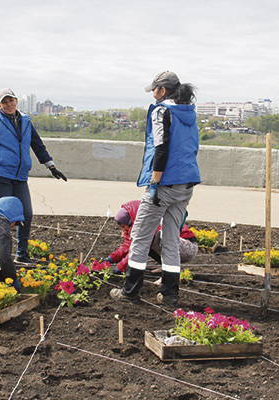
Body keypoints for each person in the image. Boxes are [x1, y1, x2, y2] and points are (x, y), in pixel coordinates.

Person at [110, 71, 201, 307]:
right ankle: (169, 293)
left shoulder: (162, 111)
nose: (152, 93)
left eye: (154, 89)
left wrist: (155, 181)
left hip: (164, 184)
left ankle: (130, 292)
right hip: (186, 184)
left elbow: (161, 148)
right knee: (170, 239)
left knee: (140, 236)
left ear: (162, 90)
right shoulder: (188, 112)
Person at [0, 88, 67, 264]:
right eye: (4, 102)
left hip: (20, 177)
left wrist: (51, 167)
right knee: (4, 218)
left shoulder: (25, 121)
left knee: (26, 214)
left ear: (16, 101)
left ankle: (21, 255)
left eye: (11, 101)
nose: (9, 105)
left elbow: (38, 146)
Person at [105, 200, 198, 274]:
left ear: (129, 221)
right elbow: (128, 246)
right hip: (176, 245)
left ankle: (171, 272)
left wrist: (119, 268)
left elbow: (136, 250)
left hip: (187, 245)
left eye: (123, 226)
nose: (123, 229)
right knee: (144, 245)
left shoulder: (147, 223)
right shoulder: (135, 226)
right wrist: (111, 258)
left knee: (151, 241)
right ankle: (166, 267)